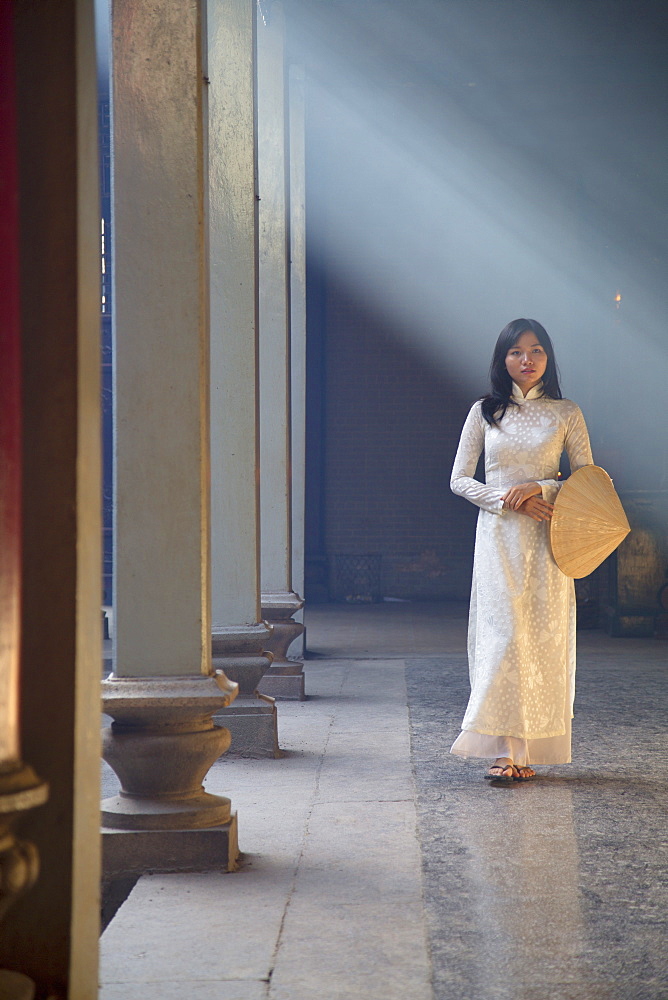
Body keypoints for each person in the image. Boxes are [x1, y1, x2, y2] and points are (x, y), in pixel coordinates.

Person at [450, 319, 593, 782]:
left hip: (549, 544)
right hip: (498, 539)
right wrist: (507, 499)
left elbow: (588, 481)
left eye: (536, 351)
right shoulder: (485, 411)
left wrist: (543, 488)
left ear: (548, 359)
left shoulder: (566, 413)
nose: (526, 360)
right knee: (504, 637)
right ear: (502, 359)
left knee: (542, 639)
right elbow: (459, 479)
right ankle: (504, 750)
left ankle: (527, 749)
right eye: (516, 352)